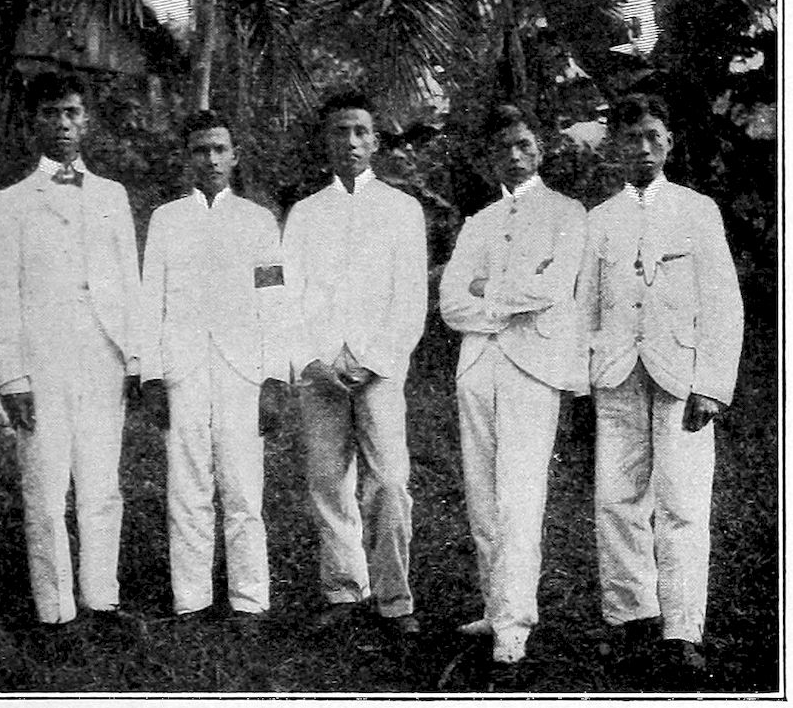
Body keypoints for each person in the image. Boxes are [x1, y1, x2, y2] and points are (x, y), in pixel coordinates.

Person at [576, 93, 744, 686]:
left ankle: (682, 629)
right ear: (615, 149)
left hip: (680, 375)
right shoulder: (599, 220)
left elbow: (723, 302)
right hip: (616, 373)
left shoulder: (697, 210)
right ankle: (632, 616)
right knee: (616, 499)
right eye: (631, 139)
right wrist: (583, 381)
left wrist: (711, 385)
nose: (643, 149)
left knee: (682, 503)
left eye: (653, 136)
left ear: (669, 141)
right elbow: (585, 305)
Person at [0, 71, 141, 654]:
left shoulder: (112, 195)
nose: (63, 124)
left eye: (72, 113)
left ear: (87, 121)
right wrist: (13, 377)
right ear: (34, 123)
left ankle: (102, 598)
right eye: (51, 114)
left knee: (102, 485)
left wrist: (135, 359)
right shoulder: (10, 203)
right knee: (47, 488)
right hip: (42, 362)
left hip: (103, 357)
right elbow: (2, 293)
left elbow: (129, 281)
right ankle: (55, 611)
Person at [439, 104, 587, 683]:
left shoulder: (566, 213)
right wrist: (500, 296)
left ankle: (514, 623)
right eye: (503, 148)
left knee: (518, 496)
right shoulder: (478, 221)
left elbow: (551, 289)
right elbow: (451, 303)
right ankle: (494, 604)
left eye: (524, 144)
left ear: (540, 148)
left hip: (533, 366)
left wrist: (487, 289)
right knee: (482, 494)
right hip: (478, 365)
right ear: (488, 158)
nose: (515, 156)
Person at [283, 90, 428, 638]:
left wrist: (371, 360)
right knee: (328, 482)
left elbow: (410, 299)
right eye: (340, 131)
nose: (351, 141)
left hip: (378, 371)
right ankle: (344, 588)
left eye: (361, 131)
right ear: (325, 141)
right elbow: (286, 294)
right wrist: (314, 360)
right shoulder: (304, 213)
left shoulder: (402, 209)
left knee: (389, 483)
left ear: (375, 141)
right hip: (320, 372)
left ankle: (394, 597)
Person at [140, 110, 287, 630]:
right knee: (187, 486)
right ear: (187, 158)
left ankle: (249, 599)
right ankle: (192, 599)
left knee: (243, 487)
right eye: (201, 150)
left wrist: (275, 377)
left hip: (242, 370)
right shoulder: (166, 220)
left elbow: (274, 301)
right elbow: (150, 300)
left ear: (234, 156)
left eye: (220, 149)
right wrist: (151, 375)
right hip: (181, 368)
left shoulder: (259, 221)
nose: (211, 159)